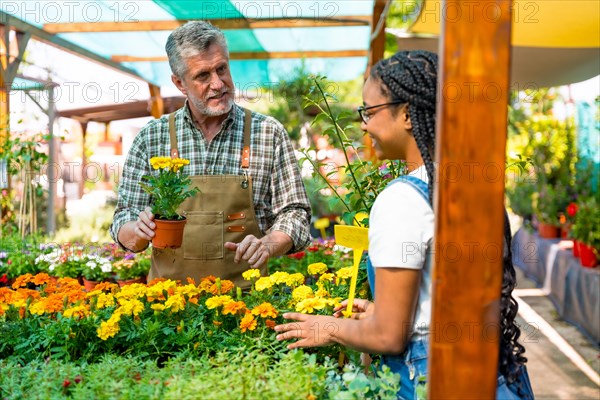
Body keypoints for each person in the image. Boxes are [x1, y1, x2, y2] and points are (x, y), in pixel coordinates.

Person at [275, 50, 533, 399]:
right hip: (488, 370)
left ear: (408, 114)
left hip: (431, 377)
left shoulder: (401, 198)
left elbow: (388, 337)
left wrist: (329, 327)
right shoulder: (464, 184)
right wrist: (388, 312)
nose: (363, 124)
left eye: (369, 111)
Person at [110, 21, 311, 288]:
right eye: (203, 75)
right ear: (180, 83)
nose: (218, 83)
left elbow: (295, 212)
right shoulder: (151, 138)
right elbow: (124, 216)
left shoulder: (267, 133)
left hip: (245, 304)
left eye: (222, 69)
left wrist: (268, 244)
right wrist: (136, 231)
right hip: (169, 307)